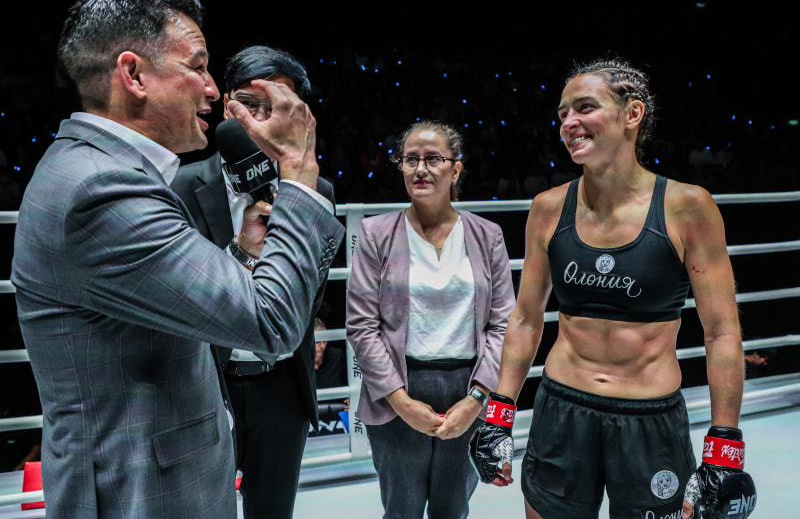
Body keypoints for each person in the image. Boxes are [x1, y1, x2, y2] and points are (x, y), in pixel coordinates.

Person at [10, 0, 344, 517]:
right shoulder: (102, 189)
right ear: (134, 75)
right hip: (141, 492)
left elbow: (174, 307)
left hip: (158, 473)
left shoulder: (101, 170)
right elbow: (272, 322)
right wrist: (300, 170)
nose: (212, 89)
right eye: (198, 66)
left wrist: (243, 253)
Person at [469, 58, 755, 519]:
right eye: (563, 114)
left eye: (585, 108)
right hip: (562, 407)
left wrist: (725, 448)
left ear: (632, 114)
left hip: (648, 417)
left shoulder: (687, 207)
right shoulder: (547, 208)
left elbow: (721, 331)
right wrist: (498, 414)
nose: (569, 123)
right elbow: (524, 319)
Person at [171, 44, 333, 519]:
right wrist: (243, 251)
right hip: (205, 381)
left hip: (282, 384)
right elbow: (184, 295)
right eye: (250, 103)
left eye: (276, 105)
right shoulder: (178, 185)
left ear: (298, 115)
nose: (261, 117)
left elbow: (313, 291)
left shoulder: (317, 189)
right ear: (228, 108)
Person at [346, 120, 516, 518]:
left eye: (433, 159)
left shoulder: (488, 234)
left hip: (469, 386)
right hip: (397, 386)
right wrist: (401, 402)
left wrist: (476, 400)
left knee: (453, 510)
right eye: (410, 160)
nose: (420, 168)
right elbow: (361, 325)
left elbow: (502, 325)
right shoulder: (375, 232)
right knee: (401, 510)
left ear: (456, 170)